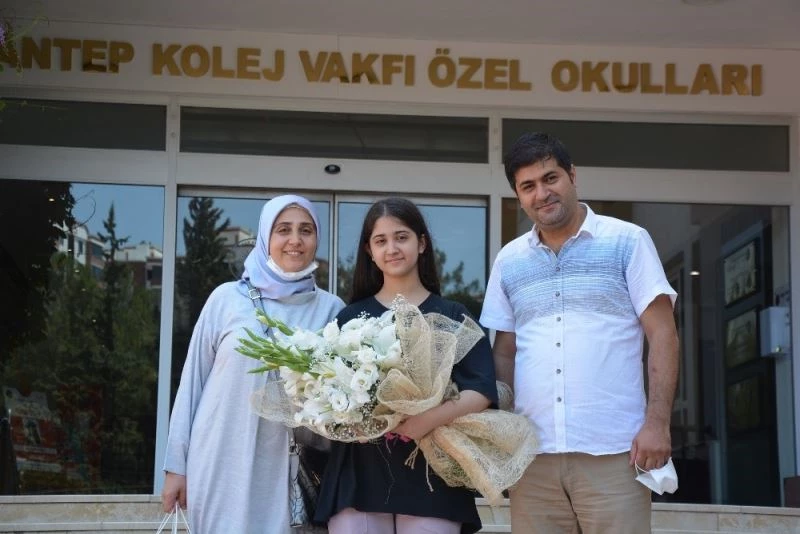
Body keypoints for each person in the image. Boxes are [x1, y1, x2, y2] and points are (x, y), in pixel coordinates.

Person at [480, 132, 679, 534]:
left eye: (550, 178)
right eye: (528, 186)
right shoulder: (509, 260)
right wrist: (502, 432)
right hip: (532, 456)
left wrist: (657, 423)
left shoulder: (627, 241)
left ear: (572, 176)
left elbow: (663, 335)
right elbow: (504, 352)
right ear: (518, 196)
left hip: (616, 451)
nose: (542, 193)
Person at [161, 195, 345, 533]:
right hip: (220, 462)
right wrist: (176, 467)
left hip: (286, 471)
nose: (295, 240)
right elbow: (192, 385)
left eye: (306, 230)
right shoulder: (226, 300)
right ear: (265, 237)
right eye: (283, 230)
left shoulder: (332, 310)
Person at [315, 197, 498, 534]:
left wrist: (424, 421)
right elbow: (326, 394)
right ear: (369, 251)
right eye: (380, 240)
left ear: (421, 243)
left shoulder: (453, 315)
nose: (392, 248)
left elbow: (482, 390)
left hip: (432, 472)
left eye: (402, 237)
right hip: (360, 471)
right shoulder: (349, 318)